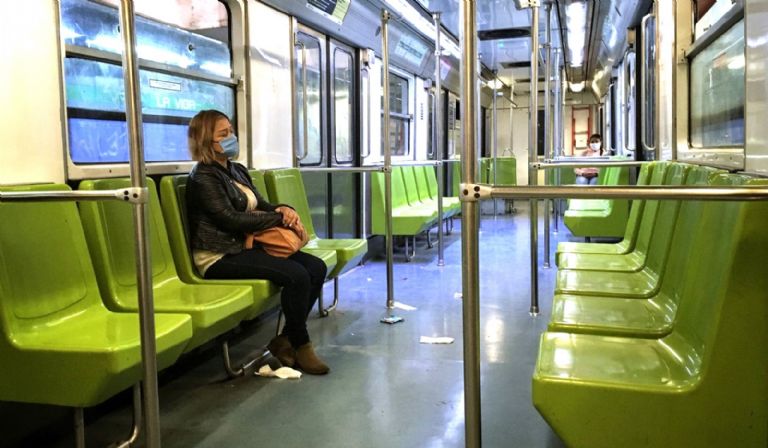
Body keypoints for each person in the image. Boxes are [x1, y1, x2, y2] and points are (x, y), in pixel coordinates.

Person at [185, 109, 329, 375]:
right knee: (296, 275)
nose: (232, 137)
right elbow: (230, 220)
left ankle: (285, 339)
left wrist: (283, 209)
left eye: (231, 131)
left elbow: (261, 205)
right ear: (206, 141)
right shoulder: (203, 177)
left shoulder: (236, 170)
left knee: (316, 267)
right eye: (224, 134)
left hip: (246, 246)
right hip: (219, 255)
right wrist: (276, 218)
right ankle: (301, 344)